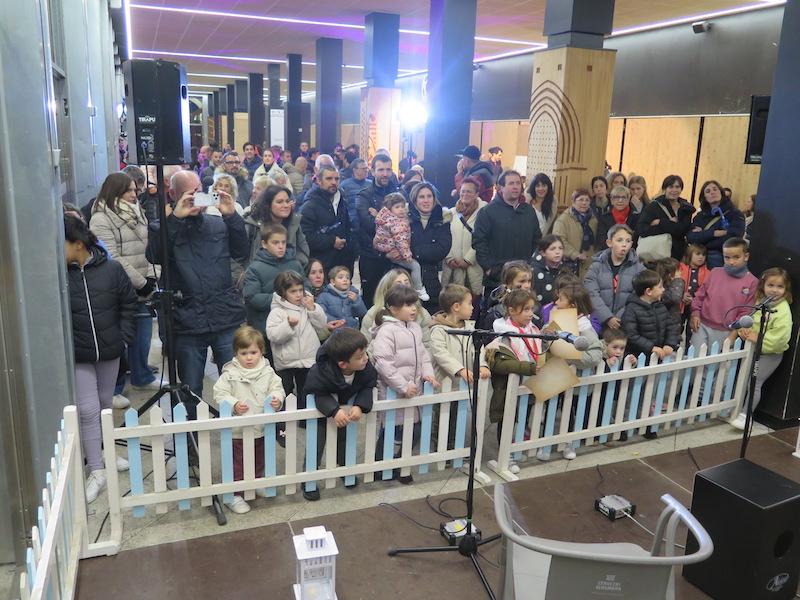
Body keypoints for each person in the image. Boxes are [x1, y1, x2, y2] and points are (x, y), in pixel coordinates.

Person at [145, 170, 249, 406]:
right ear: (173, 195)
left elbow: (241, 251)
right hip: (187, 321)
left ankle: (236, 430)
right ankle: (191, 430)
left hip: (223, 315)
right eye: (187, 194)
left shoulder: (217, 224)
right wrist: (175, 220)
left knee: (237, 385)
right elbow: (155, 255)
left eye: (197, 192)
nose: (193, 199)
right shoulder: (162, 227)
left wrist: (232, 216)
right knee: (190, 390)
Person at [64, 215, 137, 503]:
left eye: (61, 244)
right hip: (78, 354)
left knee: (105, 404)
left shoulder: (112, 269)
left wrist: (123, 339)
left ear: (78, 244)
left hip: (109, 351)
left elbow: (128, 304)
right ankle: (96, 470)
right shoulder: (58, 275)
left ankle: (104, 452)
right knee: (87, 409)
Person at [89, 172, 160, 407]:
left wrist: (153, 275)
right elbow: (111, 255)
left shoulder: (137, 212)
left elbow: (150, 247)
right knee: (119, 341)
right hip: (119, 289)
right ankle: (113, 389)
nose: (134, 194)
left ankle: (142, 377)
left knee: (143, 336)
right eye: (129, 190)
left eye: (134, 190)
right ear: (115, 192)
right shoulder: (101, 218)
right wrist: (140, 282)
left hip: (144, 286)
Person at [211, 326, 284, 514]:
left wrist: (277, 399)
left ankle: (255, 481)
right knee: (238, 462)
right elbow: (220, 393)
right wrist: (234, 404)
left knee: (260, 457)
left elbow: (277, 388)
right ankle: (233, 494)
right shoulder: (230, 374)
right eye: (244, 353)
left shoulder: (268, 372)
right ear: (236, 353)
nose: (249, 358)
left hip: (262, 426)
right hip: (238, 430)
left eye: (253, 352)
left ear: (261, 351)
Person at [371, 285, 439, 484]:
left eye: (414, 304)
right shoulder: (387, 331)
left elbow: (423, 355)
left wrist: (428, 375)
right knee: (389, 430)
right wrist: (402, 386)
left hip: (414, 390)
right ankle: (380, 467)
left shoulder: (415, 328)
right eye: (408, 305)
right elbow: (383, 363)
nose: (413, 309)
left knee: (415, 429)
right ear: (393, 309)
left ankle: (401, 464)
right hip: (394, 391)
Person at [301, 327, 378, 499]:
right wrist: (334, 410)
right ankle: (309, 480)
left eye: (365, 353)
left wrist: (360, 405)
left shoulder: (365, 367)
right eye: (360, 356)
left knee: (345, 441)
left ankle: (345, 470)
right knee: (316, 444)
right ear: (343, 364)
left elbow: (368, 386)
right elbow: (318, 393)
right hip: (320, 414)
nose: (366, 358)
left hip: (346, 411)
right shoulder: (320, 371)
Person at [538, 282, 603, 461]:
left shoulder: (585, 329)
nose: (556, 302)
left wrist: (570, 355)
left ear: (572, 306)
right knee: (551, 410)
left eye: (561, 299)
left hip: (575, 381)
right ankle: (545, 444)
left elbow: (595, 355)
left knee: (571, 413)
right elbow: (544, 336)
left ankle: (569, 443)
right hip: (555, 376)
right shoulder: (558, 321)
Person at [729, 268, 792, 430]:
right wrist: (744, 331)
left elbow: (780, 338)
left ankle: (746, 415)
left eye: (780, 287)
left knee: (755, 383)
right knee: (743, 379)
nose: (774, 290)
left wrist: (758, 337)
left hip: (770, 354)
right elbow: (750, 320)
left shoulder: (783, 310)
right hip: (753, 350)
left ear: (786, 289)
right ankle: (736, 408)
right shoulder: (760, 302)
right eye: (771, 285)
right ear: (763, 285)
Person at [486, 289, 540, 473]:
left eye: (532, 308)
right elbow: (499, 364)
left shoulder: (533, 330)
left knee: (522, 419)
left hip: (528, 385)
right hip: (508, 388)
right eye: (526, 309)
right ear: (511, 310)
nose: (531, 314)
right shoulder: (503, 334)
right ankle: (505, 454)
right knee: (508, 420)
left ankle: (516, 449)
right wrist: (528, 368)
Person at [266, 270, 328, 418]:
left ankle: (305, 421)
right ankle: (283, 422)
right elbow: (274, 336)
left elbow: (321, 324)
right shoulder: (277, 312)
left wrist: (313, 309)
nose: (299, 294)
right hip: (286, 362)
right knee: (285, 393)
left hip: (308, 359)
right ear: (283, 293)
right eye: (293, 291)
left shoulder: (307, 306)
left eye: (300, 290)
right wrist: (288, 326)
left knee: (306, 393)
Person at [472, 169, 541, 291]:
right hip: (497, 277)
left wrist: (532, 264)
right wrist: (489, 269)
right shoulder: (488, 211)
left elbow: (537, 239)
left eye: (518, 183)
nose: (515, 187)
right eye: (511, 183)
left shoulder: (529, 211)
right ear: (502, 187)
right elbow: (479, 242)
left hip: (524, 278)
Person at [690, 237, 758, 351]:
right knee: (694, 358)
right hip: (702, 325)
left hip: (726, 331)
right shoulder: (715, 272)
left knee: (715, 362)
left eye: (736, 257)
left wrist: (734, 334)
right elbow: (700, 296)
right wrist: (695, 313)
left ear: (746, 256)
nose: (731, 262)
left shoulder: (752, 282)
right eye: (727, 257)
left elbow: (746, 312)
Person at [242, 222, 306, 338]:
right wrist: (282, 298)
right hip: (266, 326)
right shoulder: (255, 268)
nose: (281, 246)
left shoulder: (295, 264)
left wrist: (302, 295)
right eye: (275, 243)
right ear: (264, 244)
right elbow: (252, 297)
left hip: (297, 324)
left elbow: (306, 286)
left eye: (283, 242)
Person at [356, 153, 399, 308]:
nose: (385, 174)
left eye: (388, 169)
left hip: (395, 255)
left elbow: (405, 224)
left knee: (394, 302)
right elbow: (369, 224)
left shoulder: (399, 193)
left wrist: (379, 215)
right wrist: (394, 219)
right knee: (371, 301)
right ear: (372, 171)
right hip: (371, 257)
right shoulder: (364, 195)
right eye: (381, 170)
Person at [584, 224, 644, 332]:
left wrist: (619, 318)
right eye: (619, 240)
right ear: (609, 243)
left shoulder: (639, 269)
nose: (624, 245)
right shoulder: (595, 267)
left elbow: (637, 296)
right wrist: (607, 318)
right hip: (599, 324)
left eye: (628, 241)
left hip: (627, 324)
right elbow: (591, 294)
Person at [300, 164, 356, 276]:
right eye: (329, 179)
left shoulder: (342, 201)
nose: (334, 182)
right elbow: (305, 237)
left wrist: (353, 250)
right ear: (319, 181)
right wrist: (331, 241)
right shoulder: (310, 206)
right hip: (322, 266)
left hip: (343, 264)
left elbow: (348, 228)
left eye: (336, 179)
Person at [441, 177, 487, 309]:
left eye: (469, 191)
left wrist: (468, 259)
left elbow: (484, 239)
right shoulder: (450, 213)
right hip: (451, 269)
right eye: (463, 191)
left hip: (473, 269)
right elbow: (443, 237)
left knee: (471, 308)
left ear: (476, 194)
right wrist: (449, 258)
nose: (465, 194)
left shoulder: (484, 213)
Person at [373, 193, 429, 301]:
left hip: (384, 247)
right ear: (390, 209)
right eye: (397, 207)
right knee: (415, 266)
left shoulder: (384, 219)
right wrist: (407, 255)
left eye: (402, 206)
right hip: (395, 250)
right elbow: (401, 240)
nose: (401, 210)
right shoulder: (397, 222)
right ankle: (419, 289)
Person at [361, 268, 433, 351]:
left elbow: (428, 345)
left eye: (407, 283)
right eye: (398, 284)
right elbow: (365, 346)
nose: (404, 286)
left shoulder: (422, 313)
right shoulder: (373, 314)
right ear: (387, 289)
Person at [408, 182, 452, 313]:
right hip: (406, 277)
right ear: (414, 199)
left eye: (429, 196)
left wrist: (414, 251)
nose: (426, 200)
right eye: (421, 197)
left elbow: (442, 249)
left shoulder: (443, 220)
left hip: (431, 279)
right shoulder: (404, 218)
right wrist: (426, 249)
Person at [244, 185, 309, 273]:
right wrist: (243, 275)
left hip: (289, 277)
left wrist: (295, 267)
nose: (286, 205)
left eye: (287, 201)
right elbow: (237, 256)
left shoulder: (294, 223)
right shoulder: (252, 225)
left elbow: (303, 251)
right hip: (258, 277)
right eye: (279, 202)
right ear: (268, 205)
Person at [622, 269, 681, 361]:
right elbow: (631, 335)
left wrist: (669, 344)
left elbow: (670, 327)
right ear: (648, 291)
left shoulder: (661, 307)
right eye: (660, 287)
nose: (663, 289)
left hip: (659, 355)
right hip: (638, 357)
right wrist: (651, 347)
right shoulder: (631, 310)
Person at [687, 180, 746, 269]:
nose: (712, 192)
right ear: (704, 197)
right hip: (700, 255)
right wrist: (714, 233)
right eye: (708, 191)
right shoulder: (700, 216)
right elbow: (691, 237)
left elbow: (733, 238)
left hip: (720, 255)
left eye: (715, 189)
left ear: (721, 192)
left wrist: (703, 235)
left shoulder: (736, 214)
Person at [636, 175, 695, 261]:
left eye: (677, 187)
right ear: (664, 189)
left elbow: (682, 231)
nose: (674, 190)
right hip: (656, 256)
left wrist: (661, 222)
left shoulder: (686, 209)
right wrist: (669, 225)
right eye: (671, 187)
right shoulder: (654, 206)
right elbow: (642, 230)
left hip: (677, 255)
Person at [552, 188, 599, 279]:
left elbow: (598, 240)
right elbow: (558, 240)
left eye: (587, 200)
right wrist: (574, 254)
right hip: (570, 265)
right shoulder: (563, 220)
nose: (584, 203)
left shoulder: (594, 220)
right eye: (581, 200)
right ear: (573, 202)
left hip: (589, 264)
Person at [480, 260, 534, 330]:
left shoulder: (535, 306)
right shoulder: (498, 312)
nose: (527, 285)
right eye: (522, 281)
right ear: (509, 283)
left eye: (529, 281)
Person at [530, 235, 576, 306]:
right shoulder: (534, 272)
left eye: (560, 248)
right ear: (543, 253)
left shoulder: (567, 270)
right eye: (552, 249)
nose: (557, 252)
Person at [680, 243, 710, 341]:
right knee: (677, 329)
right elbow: (674, 285)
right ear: (690, 254)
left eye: (703, 255)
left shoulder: (707, 273)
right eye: (698, 254)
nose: (701, 257)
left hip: (695, 307)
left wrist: (694, 299)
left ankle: (689, 348)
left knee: (692, 330)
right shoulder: (679, 268)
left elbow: (706, 290)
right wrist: (681, 294)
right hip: (679, 305)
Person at [339, 157, 371, 236]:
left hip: (368, 226)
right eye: (364, 168)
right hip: (352, 227)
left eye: (367, 168)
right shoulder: (345, 185)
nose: (367, 170)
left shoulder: (371, 185)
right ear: (355, 170)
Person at [653, 257, 685, 329]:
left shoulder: (673, 286)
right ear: (670, 275)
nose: (680, 273)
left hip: (673, 325)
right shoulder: (660, 289)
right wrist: (678, 280)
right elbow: (675, 298)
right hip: (663, 326)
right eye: (677, 271)